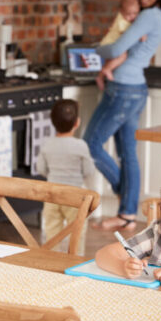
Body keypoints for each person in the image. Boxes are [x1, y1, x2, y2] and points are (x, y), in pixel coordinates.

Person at [83, 0, 161, 231]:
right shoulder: (156, 16)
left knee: (91, 143)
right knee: (128, 154)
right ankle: (128, 214)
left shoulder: (148, 16)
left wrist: (98, 49)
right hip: (135, 88)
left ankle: (126, 197)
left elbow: (117, 48)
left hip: (123, 88)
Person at [37, 99, 95, 254]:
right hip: (75, 196)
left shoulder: (47, 144)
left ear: (52, 122)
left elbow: (41, 169)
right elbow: (88, 171)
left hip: (52, 194)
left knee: (51, 231)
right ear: (77, 123)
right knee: (77, 232)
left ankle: (51, 260)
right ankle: (75, 260)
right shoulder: (80, 146)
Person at [95, 0, 141, 90]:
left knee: (110, 61)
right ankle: (106, 70)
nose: (132, 17)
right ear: (121, 11)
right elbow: (130, 34)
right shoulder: (122, 21)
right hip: (109, 44)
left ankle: (100, 76)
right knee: (123, 55)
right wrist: (141, 35)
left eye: (135, 13)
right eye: (128, 14)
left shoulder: (125, 19)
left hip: (108, 44)